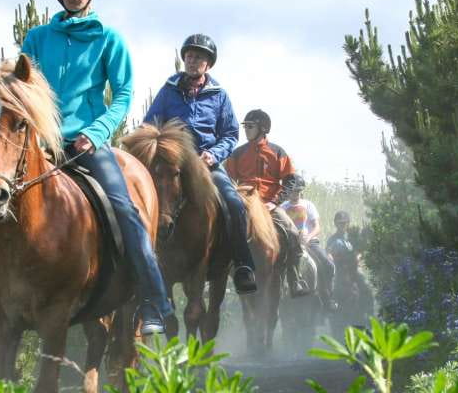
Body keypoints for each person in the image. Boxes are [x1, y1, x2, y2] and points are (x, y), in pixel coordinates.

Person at [0, 0, 172, 336]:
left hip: (89, 144)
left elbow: (122, 95)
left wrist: (97, 133)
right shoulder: (37, 38)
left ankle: (154, 299)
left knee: (124, 207)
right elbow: (18, 89)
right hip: (39, 145)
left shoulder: (109, 40)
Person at [143, 34, 256, 294]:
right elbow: (150, 124)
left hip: (207, 164)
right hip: (172, 163)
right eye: (190, 56)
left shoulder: (219, 96)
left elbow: (229, 134)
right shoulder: (168, 90)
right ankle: (136, 268)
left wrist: (213, 155)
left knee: (235, 203)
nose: (193, 61)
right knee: (138, 198)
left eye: (199, 58)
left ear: (208, 64)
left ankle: (242, 265)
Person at [224, 109, 308, 296]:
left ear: (262, 128)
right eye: (245, 127)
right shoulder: (237, 153)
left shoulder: (278, 152)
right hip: (243, 204)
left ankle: (295, 279)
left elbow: (290, 180)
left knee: (293, 234)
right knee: (218, 227)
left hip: (269, 205)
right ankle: (215, 276)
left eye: (250, 127)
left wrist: (276, 202)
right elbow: (227, 178)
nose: (246, 130)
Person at [279, 175, 335, 305]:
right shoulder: (282, 207)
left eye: (299, 190)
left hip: (309, 242)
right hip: (289, 244)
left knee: (328, 265)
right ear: (288, 191)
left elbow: (317, 226)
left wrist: (308, 237)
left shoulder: (308, 205)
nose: (296, 193)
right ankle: (274, 297)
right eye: (293, 190)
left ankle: (327, 298)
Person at [327, 210, 372, 306]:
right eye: (340, 223)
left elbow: (360, 250)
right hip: (339, 267)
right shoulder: (332, 239)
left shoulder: (352, 237)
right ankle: (332, 302)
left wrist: (358, 257)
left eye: (344, 223)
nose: (342, 225)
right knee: (332, 283)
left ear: (348, 223)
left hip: (354, 266)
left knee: (365, 282)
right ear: (336, 224)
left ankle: (369, 307)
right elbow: (328, 252)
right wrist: (330, 257)